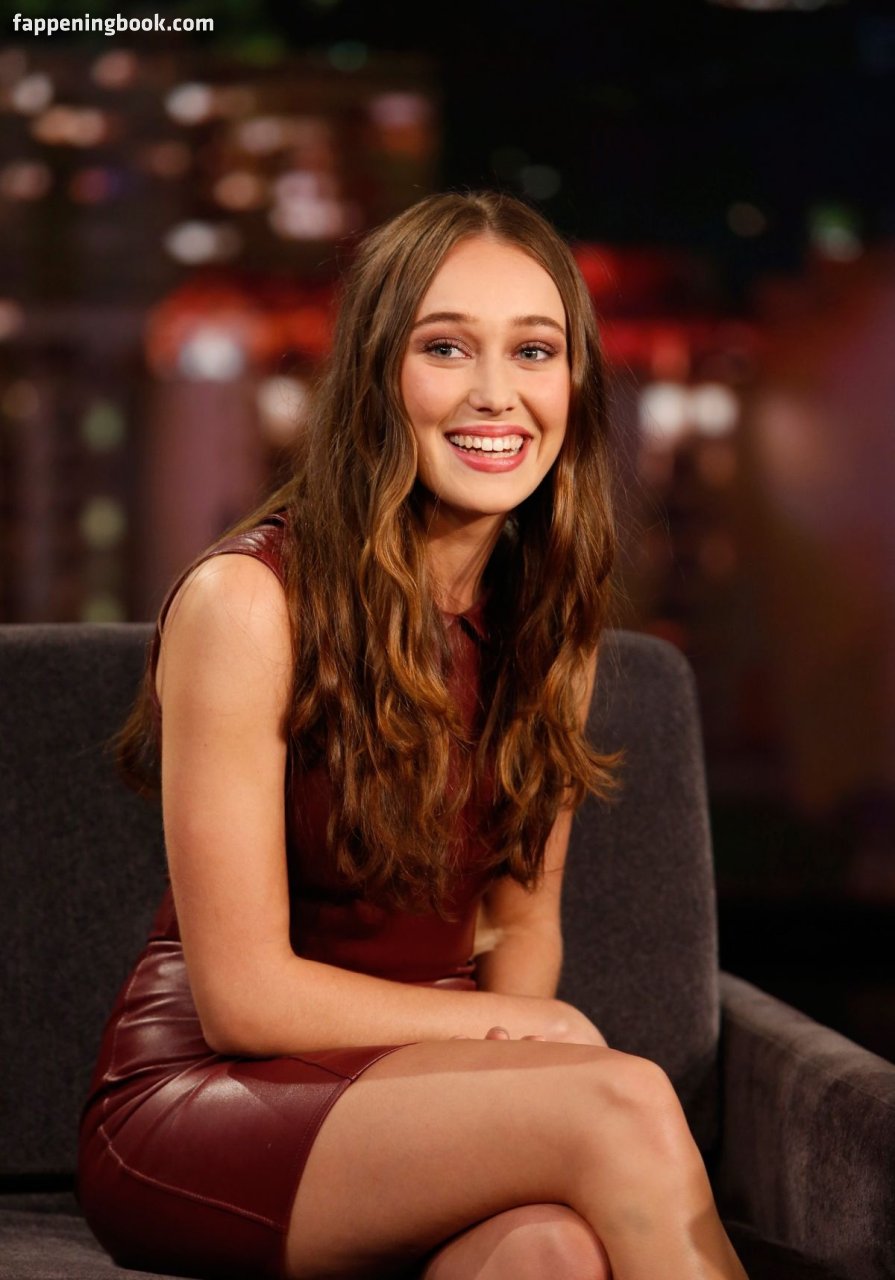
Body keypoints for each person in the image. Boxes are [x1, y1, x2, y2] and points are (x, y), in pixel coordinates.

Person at [77, 189, 748, 1280]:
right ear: (375, 375)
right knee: (618, 1101)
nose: (496, 393)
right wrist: (536, 1046)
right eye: (445, 347)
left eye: (534, 351)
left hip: (424, 1083)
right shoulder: (247, 603)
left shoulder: (550, 627)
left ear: (574, 383)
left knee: (551, 1249)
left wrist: (517, 1079)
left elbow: (519, 930)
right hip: (208, 1095)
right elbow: (245, 998)